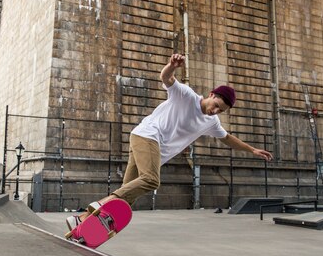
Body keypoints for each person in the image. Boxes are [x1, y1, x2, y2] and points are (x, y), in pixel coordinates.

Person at [66, 53, 273, 230]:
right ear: (211, 95)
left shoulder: (212, 122)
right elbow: (166, 78)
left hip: (149, 145)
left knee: (127, 195)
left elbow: (227, 138)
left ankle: (82, 221)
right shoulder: (186, 96)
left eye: (221, 110)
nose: (215, 111)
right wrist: (172, 66)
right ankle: (97, 206)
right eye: (216, 105)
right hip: (147, 136)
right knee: (151, 180)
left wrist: (252, 149)